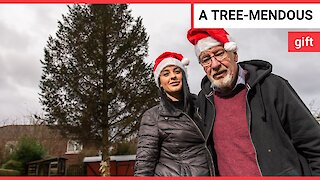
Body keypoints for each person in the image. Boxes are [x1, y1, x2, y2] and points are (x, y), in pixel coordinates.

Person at [186, 28, 320, 176]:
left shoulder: (272, 87)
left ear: (234, 54)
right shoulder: (204, 101)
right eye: (206, 59)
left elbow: (314, 145)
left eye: (219, 53)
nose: (215, 64)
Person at [134, 52, 213, 176]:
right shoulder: (153, 116)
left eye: (177, 71)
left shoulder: (203, 105)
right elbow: (144, 163)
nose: (173, 77)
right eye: (166, 74)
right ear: (160, 82)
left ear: (184, 76)